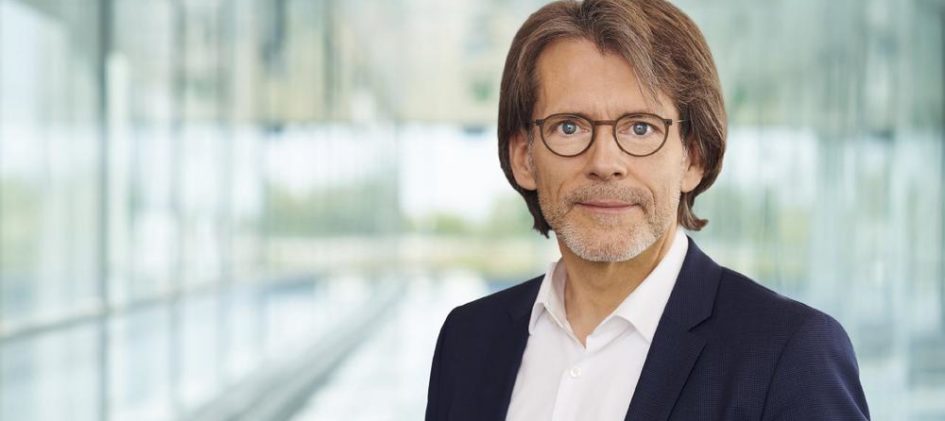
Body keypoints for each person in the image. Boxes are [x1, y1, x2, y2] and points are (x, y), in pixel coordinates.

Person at [425, 0, 871, 420]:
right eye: (569, 127)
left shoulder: (790, 354)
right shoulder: (467, 340)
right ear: (524, 157)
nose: (604, 163)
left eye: (640, 128)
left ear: (693, 158)